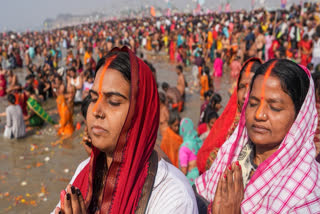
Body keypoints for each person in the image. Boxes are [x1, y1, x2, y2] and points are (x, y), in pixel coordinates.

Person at [53, 47, 198, 214]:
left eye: (113, 101)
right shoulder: (84, 171)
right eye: (93, 98)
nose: (95, 111)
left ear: (140, 112)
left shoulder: (172, 196)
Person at [196, 59, 320, 213]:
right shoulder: (232, 155)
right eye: (253, 104)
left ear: (299, 116)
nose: (259, 115)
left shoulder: (306, 192)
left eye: (274, 107)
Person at [197, 58, 262, 174]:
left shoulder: (265, 128)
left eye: (251, 87)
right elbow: (205, 156)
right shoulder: (230, 120)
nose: (245, 95)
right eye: (242, 87)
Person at [179, 118, 203, 185]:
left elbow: (184, 170)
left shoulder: (184, 148)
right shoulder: (198, 142)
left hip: (190, 179)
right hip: (200, 177)